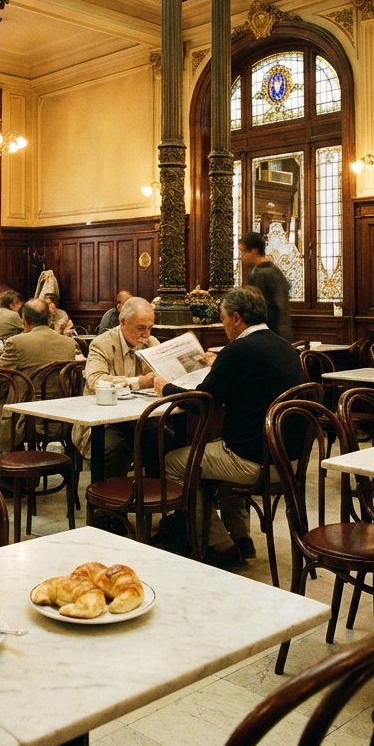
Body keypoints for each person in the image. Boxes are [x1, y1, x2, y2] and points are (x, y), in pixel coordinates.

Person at [156, 286, 303, 569]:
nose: (223, 326)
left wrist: (165, 387)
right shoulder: (283, 345)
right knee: (217, 448)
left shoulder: (238, 350)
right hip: (290, 458)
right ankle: (241, 537)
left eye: (223, 319)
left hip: (253, 461)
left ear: (236, 317)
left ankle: (215, 544)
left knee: (175, 462)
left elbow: (203, 403)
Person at [78, 296, 159, 477]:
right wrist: (138, 382)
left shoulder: (150, 342)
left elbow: (164, 372)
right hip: (102, 422)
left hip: (136, 419)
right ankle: (106, 502)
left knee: (165, 440)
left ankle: (152, 496)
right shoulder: (102, 344)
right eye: (140, 328)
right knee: (115, 448)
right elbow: (95, 380)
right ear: (122, 322)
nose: (146, 335)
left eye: (150, 328)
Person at [0, 298, 77, 449]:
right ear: (48, 319)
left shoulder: (17, 342)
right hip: (63, 415)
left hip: (26, 417)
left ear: (24, 320)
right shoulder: (69, 343)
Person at [238, 232, 293, 341]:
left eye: (243, 251)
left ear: (254, 251)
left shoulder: (259, 274)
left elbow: (256, 309)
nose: (241, 257)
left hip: (267, 335)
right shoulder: (276, 271)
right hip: (283, 334)